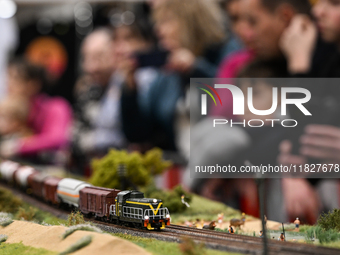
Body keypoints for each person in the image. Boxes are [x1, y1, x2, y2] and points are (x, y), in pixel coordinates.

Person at [121, 0, 229, 154]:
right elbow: (139, 134)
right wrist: (130, 89)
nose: (158, 30)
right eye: (157, 23)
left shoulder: (223, 55)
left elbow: (230, 105)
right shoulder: (165, 75)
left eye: (165, 21)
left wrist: (195, 69)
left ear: (191, 22)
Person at [72, 28, 125, 172]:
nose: (91, 67)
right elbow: (76, 137)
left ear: (116, 54)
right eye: (86, 59)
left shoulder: (128, 84)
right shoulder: (88, 90)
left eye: (99, 57)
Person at [2, 58, 72, 165]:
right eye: (9, 78)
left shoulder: (57, 106)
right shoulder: (13, 109)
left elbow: (56, 139)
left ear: (33, 84)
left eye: (15, 79)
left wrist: (18, 146)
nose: (9, 85)